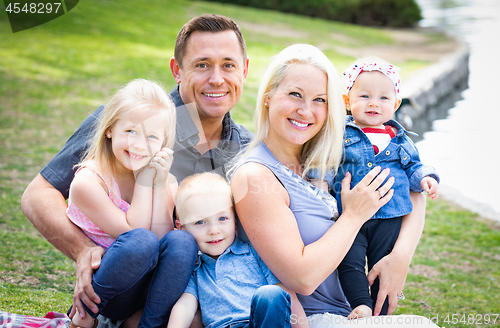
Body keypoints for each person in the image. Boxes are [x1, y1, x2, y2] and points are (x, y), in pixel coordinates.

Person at [20, 14, 252, 327]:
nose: (216, 78)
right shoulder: (128, 123)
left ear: (245, 70)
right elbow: (37, 195)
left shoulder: (249, 153)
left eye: (228, 65)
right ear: (177, 71)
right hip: (123, 289)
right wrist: (83, 250)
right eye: (201, 64)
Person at [230, 44, 438, 327]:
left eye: (320, 99)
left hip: (354, 310)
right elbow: (302, 278)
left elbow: (413, 190)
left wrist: (400, 258)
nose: (306, 111)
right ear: (268, 97)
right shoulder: (255, 176)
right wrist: (353, 216)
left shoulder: (328, 153)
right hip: (311, 318)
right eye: (295, 94)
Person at [65, 79, 198, 328]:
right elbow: (134, 233)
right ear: (110, 129)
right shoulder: (89, 181)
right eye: (130, 131)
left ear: (163, 144)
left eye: (152, 136)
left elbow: (161, 238)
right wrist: (145, 181)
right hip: (108, 293)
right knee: (140, 241)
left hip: (147, 293)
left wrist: (158, 184)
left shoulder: (165, 180)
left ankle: (149, 324)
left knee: (182, 241)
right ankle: (82, 320)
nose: (139, 144)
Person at [329, 57, 440, 319]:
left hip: (389, 215)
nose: (373, 103)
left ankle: (380, 311)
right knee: (349, 261)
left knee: (383, 262)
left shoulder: (399, 139)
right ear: (347, 101)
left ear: (396, 104)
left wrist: (426, 178)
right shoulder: (340, 133)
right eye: (365, 96)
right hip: (351, 215)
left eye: (383, 98)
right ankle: (361, 304)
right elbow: (325, 163)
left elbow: (414, 166)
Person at [168, 172, 308, 328]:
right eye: (200, 222)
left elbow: (286, 295)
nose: (214, 230)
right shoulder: (195, 268)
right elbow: (185, 306)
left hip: (261, 323)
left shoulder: (255, 253)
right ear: (183, 229)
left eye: (222, 218)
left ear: (235, 221)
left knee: (270, 294)